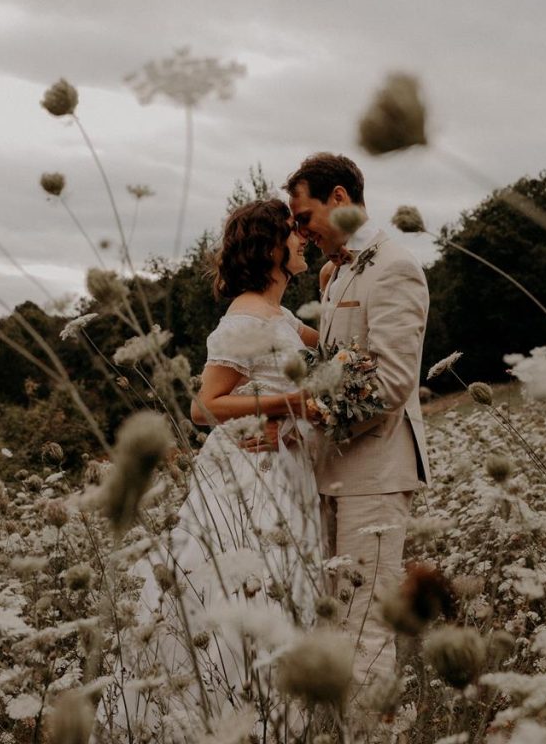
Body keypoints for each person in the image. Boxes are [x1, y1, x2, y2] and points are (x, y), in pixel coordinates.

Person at [94, 200, 323, 743]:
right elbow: (203, 407)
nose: (304, 242)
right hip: (248, 471)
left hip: (284, 463)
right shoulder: (243, 317)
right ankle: (223, 718)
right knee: (250, 584)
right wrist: (290, 402)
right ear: (271, 248)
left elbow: (333, 343)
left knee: (286, 585)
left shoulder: (281, 315)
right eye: (295, 234)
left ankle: (275, 715)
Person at [285, 153, 430, 688]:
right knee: (335, 617)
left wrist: (309, 412)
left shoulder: (395, 266)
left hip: (376, 471)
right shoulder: (334, 271)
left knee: (365, 623)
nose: (300, 231)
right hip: (333, 469)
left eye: (304, 217)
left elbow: (392, 381)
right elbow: (336, 362)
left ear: (340, 198)